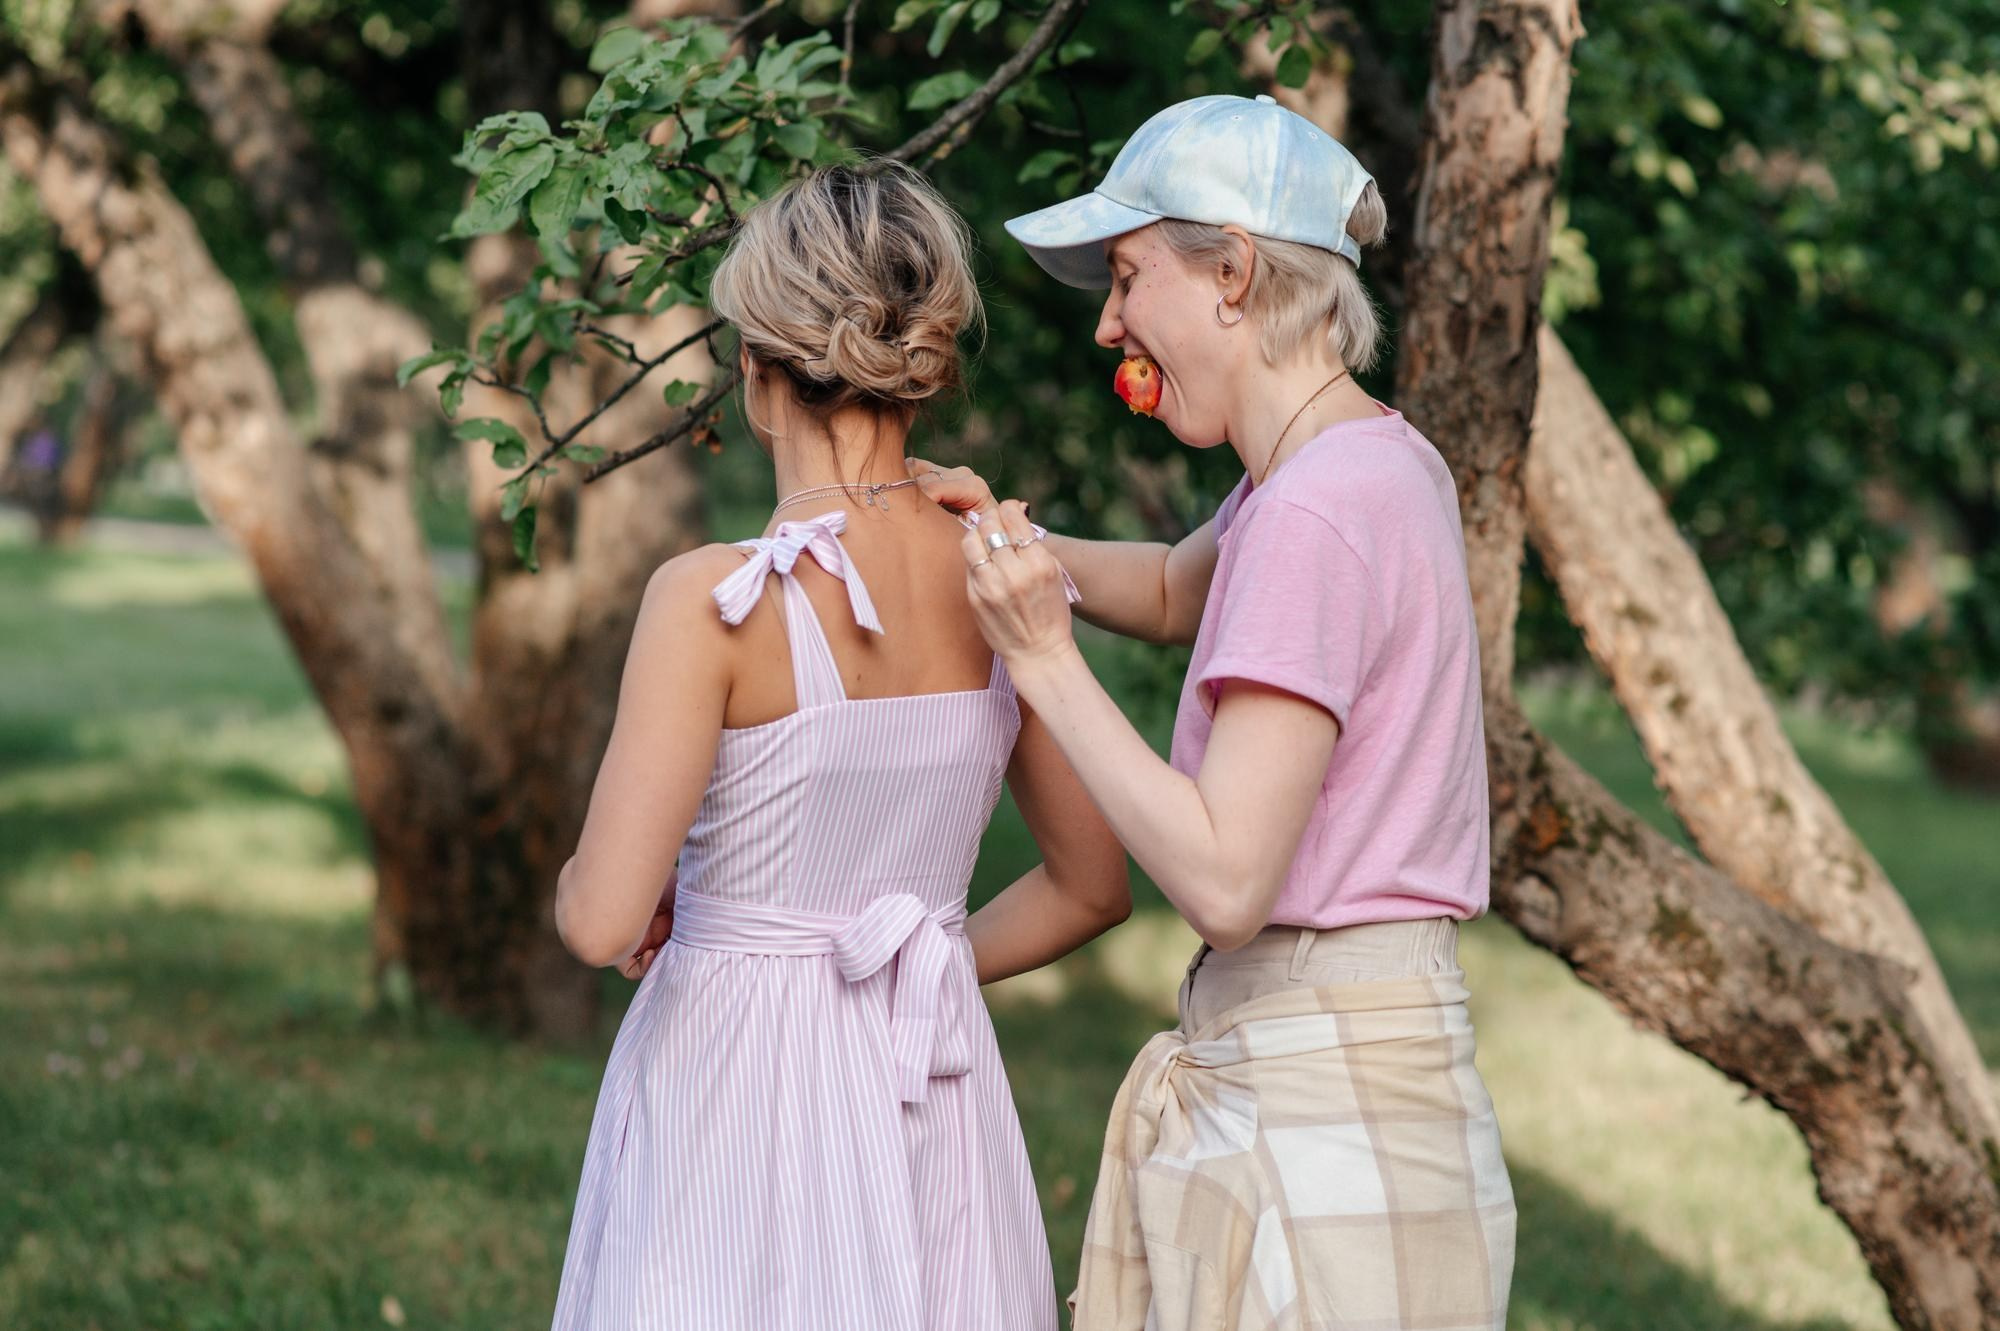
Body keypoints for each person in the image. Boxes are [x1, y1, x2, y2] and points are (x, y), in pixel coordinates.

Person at [911, 94, 1516, 1331]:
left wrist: (1041, 659)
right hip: (1358, 1087)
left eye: (1128, 278)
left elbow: (1227, 880)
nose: (1108, 324)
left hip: (1318, 1120)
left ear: (1232, 272)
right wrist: (1004, 538)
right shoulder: (1362, 462)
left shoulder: (1308, 510)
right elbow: (1183, 587)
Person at [547, 159, 1131, 1331]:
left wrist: (630, 885)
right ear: (923, 364)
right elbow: (1089, 885)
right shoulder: (998, 571)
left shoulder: (711, 599)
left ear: (757, 371)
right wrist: (904, 966)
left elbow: (603, 921)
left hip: (731, 1096)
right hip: (930, 1079)